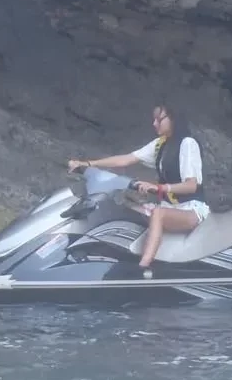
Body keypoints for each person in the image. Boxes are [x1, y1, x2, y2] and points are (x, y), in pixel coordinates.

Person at [68, 104, 209, 274]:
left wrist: (158, 188)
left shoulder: (188, 144)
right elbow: (126, 159)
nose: (154, 124)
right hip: (168, 206)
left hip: (191, 210)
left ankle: (142, 268)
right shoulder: (160, 144)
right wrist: (88, 164)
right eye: (154, 120)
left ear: (173, 119)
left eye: (159, 119)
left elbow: (191, 185)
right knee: (127, 208)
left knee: (158, 214)